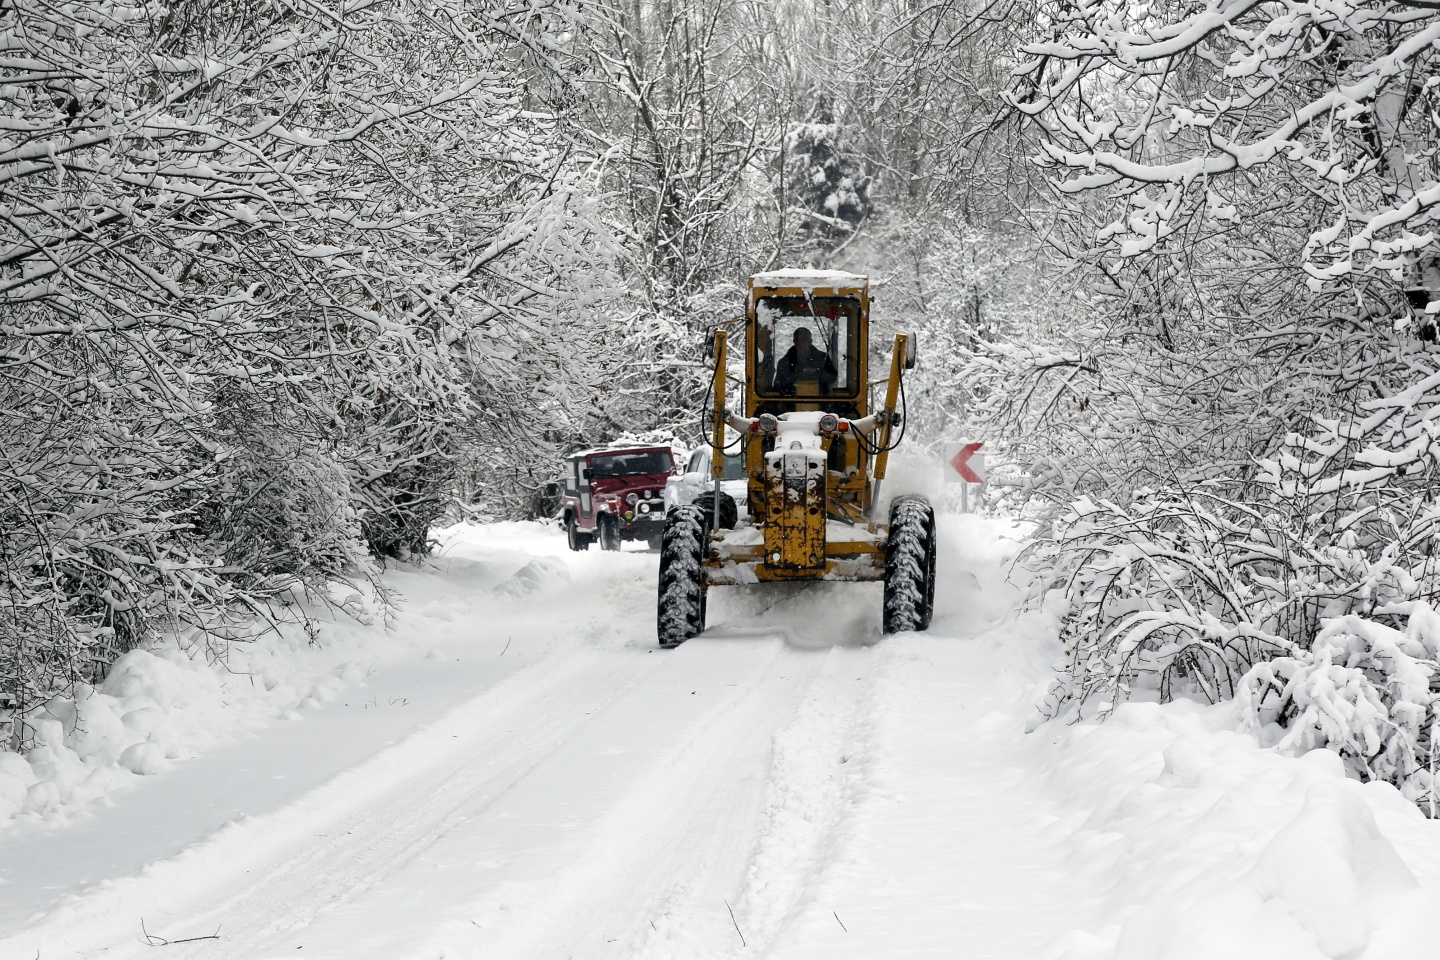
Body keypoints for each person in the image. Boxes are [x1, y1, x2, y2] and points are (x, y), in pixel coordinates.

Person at [773, 326, 838, 394]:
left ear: (810, 341)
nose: (801, 343)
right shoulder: (784, 362)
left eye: (804, 339)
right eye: (798, 340)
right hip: (792, 401)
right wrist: (800, 374)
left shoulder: (823, 358)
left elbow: (832, 378)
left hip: (820, 400)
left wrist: (817, 373)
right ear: (794, 342)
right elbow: (778, 384)